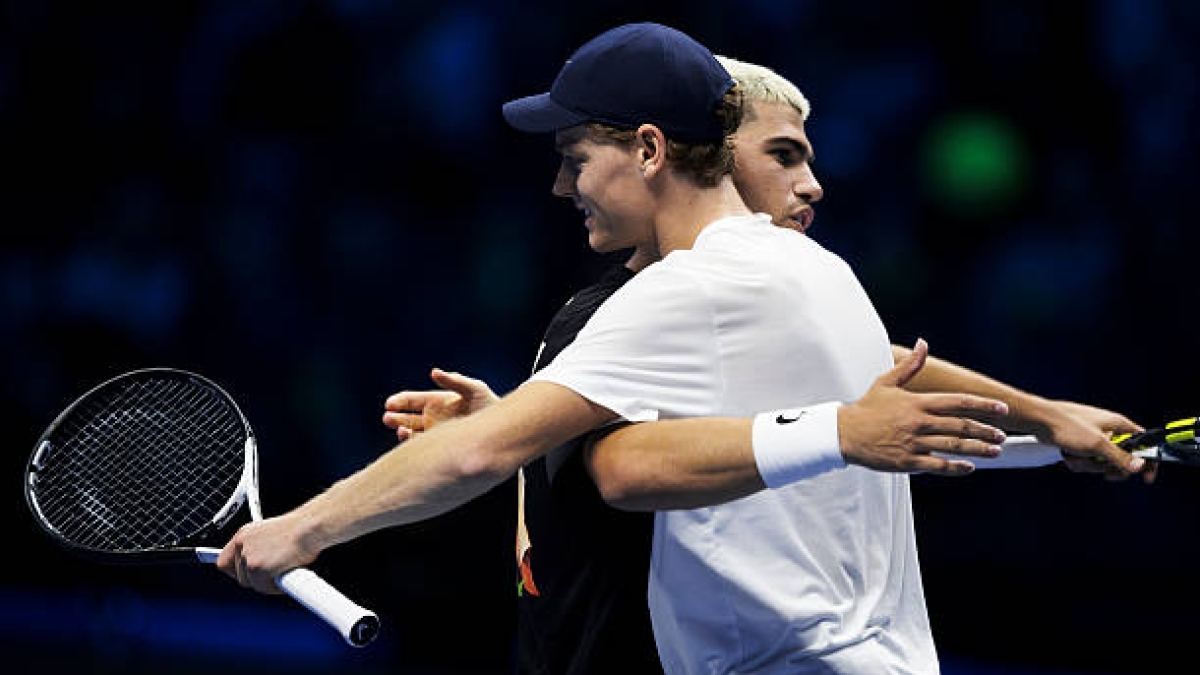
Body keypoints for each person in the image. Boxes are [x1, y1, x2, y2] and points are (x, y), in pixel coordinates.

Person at [216, 23, 1143, 674]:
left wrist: (298, 531)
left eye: (577, 157)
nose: (560, 184)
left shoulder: (688, 287)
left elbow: (548, 462)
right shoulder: (817, 275)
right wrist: (1047, 416)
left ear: (653, 149)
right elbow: (871, 368)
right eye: (785, 155)